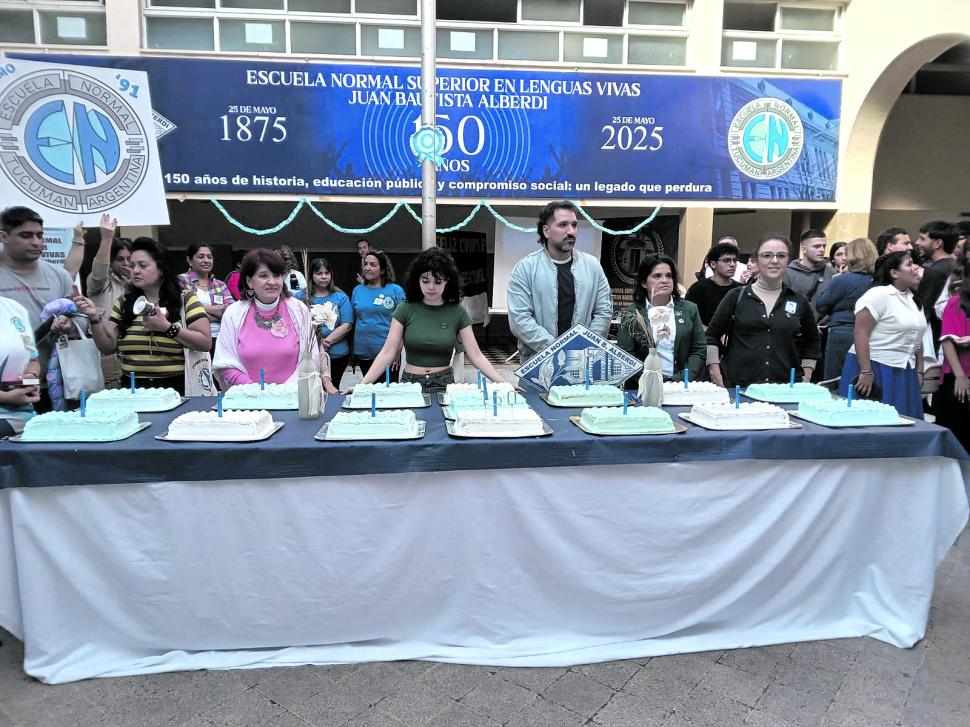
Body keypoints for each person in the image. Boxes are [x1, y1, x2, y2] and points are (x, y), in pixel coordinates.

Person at [350, 248, 506, 394]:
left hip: (444, 383)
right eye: (425, 280)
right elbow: (387, 352)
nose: (431, 287)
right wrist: (362, 386)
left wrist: (503, 383)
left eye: (438, 282)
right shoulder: (405, 308)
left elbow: (476, 355)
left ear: (447, 282)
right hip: (411, 384)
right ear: (417, 280)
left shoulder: (457, 312)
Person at [74, 237, 211, 395]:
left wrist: (166, 327)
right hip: (133, 388)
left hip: (177, 387)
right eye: (132, 266)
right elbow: (107, 346)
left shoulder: (185, 299)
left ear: (161, 269)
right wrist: (94, 318)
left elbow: (205, 342)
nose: (135, 271)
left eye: (143, 265)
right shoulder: (125, 302)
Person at [706, 233, 821, 389]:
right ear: (756, 260)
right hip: (740, 389)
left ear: (788, 261)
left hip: (784, 390)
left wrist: (806, 376)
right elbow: (711, 336)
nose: (774, 261)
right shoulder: (736, 296)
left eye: (781, 255)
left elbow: (812, 341)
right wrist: (715, 372)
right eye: (767, 255)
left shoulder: (798, 301)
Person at [507, 201, 612, 363]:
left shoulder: (592, 266)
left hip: (582, 361)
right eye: (563, 225)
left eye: (574, 225)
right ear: (546, 231)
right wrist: (556, 349)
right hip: (538, 364)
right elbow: (520, 319)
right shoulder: (525, 268)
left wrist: (584, 346)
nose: (571, 231)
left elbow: (603, 311)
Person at [0, 206, 83, 412]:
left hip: (55, 383)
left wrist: (70, 324)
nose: (36, 242)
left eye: (39, 235)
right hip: (7, 388)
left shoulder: (59, 275)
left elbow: (81, 317)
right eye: (26, 236)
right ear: (3, 236)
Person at [213, 248, 329, 392]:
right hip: (249, 401)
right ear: (249, 281)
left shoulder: (299, 309)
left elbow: (311, 357)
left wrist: (284, 391)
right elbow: (225, 363)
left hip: (292, 398)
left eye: (276, 275)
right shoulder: (233, 313)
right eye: (263, 276)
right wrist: (256, 391)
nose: (272, 282)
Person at [838, 251, 926, 419]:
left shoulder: (914, 298)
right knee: (870, 421)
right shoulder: (878, 295)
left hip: (904, 369)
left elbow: (917, 336)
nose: (916, 268)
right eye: (909, 264)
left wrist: (920, 371)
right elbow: (860, 332)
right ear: (894, 273)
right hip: (875, 366)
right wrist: (866, 372)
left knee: (904, 423)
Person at [618, 255, 706, 386]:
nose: (665, 280)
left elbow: (699, 350)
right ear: (643, 282)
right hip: (643, 387)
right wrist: (652, 380)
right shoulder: (632, 313)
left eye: (669, 276)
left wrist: (677, 380)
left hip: (681, 386)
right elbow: (626, 355)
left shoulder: (690, 309)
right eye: (657, 276)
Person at [814, 238, 878, 380]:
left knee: (834, 379)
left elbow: (821, 304)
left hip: (841, 333)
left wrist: (835, 280)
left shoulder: (843, 280)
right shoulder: (877, 283)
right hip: (870, 335)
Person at [85, 215, 130, 389]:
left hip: (132, 352)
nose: (126, 263)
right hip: (105, 353)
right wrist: (107, 240)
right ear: (111, 261)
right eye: (120, 259)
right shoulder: (102, 282)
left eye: (129, 259)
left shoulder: (139, 283)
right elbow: (99, 271)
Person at [295, 257, 352, 388]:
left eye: (327, 273)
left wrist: (327, 342)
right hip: (308, 354)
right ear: (311, 276)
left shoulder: (340, 297)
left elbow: (347, 324)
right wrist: (315, 344)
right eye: (319, 273)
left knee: (332, 389)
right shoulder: (300, 297)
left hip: (336, 353)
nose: (324, 277)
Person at [935, 253, 970, 451]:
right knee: (957, 433)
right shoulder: (956, 302)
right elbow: (948, 340)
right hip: (959, 374)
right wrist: (960, 376)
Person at [351, 249, 404, 376]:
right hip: (363, 352)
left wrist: (397, 350)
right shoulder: (357, 290)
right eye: (366, 264)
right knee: (369, 392)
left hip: (388, 354)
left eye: (373, 265)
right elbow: (354, 320)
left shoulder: (395, 290)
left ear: (382, 270)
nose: (368, 268)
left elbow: (405, 323)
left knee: (388, 393)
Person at [178, 243, 234, 354]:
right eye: (200, 256)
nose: (206, 260)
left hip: (220, 341)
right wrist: (218, 313)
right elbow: (182, 311)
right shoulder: (182, 280)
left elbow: (231, 311)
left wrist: (200, 309)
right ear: (189, 260)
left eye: (209, 257)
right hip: (193, 340)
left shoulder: (220, 285)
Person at [0, 295, 41, 436]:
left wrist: (30, 379)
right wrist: (5, 397)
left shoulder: (16, 308)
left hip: (25, 420)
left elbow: (33, 359)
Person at [916, 220, 958, 351]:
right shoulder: (956, 266)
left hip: (934, 340)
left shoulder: (935, 272)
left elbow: (924, 311)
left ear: (937, 243)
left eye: (922, 239)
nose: (917, 242)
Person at [686, 242, 742, 325]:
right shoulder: (698, 289)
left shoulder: (741, 290)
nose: (732, 264)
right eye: (726, 260)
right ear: (713, 264)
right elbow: (691, 319)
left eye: (735, 260)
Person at [784, 228, 834, 304]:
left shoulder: (831, 273)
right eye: (817, 246)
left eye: (824, 246)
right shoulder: (788, 273)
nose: (822, 250)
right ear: (804, 249)